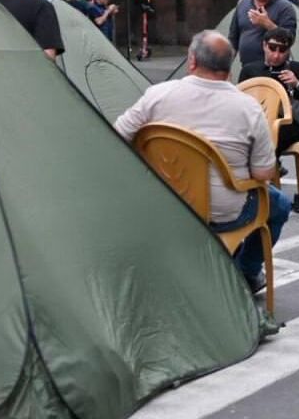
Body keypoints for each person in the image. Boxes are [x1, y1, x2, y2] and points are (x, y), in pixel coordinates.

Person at [114, 31, 289, 294]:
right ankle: (245, 275)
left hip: (165, 207)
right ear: (230, 68)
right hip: (224, 214)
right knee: (280, 205)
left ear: (192, 61)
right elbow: (263, 173)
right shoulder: (248, 108)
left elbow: (117, 136)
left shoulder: (156, 96)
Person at [238, 27, 299, 154]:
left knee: (271, 134)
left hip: (288, 123)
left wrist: (297, 84)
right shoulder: (250, 70)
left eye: (282, 50)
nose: (276, 55)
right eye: (272, 48)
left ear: (289, 51)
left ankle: (269, 167)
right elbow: (239, 102)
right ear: (264, 45)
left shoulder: (297, 68)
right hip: (257, 121)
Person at [228, 0, 297, 67]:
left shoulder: (285, 7)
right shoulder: (243, 3)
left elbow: (289, 39)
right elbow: (233, 40)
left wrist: (267, 24)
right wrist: (225, 67)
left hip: (274, 70)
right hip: (246, 68)